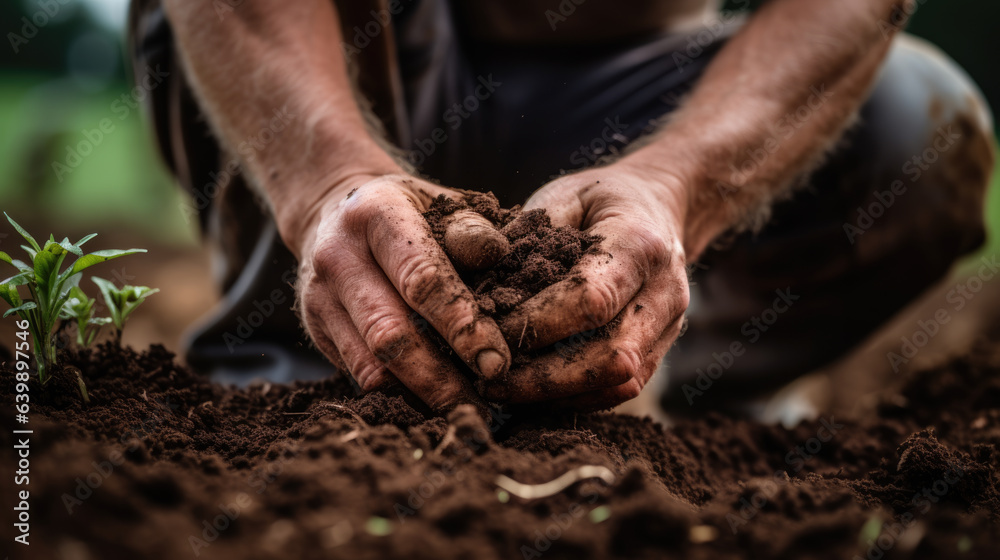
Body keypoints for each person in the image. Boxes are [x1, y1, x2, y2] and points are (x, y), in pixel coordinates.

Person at [128, 0, 994, 414]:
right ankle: (310, 379)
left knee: (918, 123)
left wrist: (674, 183)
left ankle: (653, 381)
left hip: (649, 99)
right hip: (367, 64)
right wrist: (325, 180)